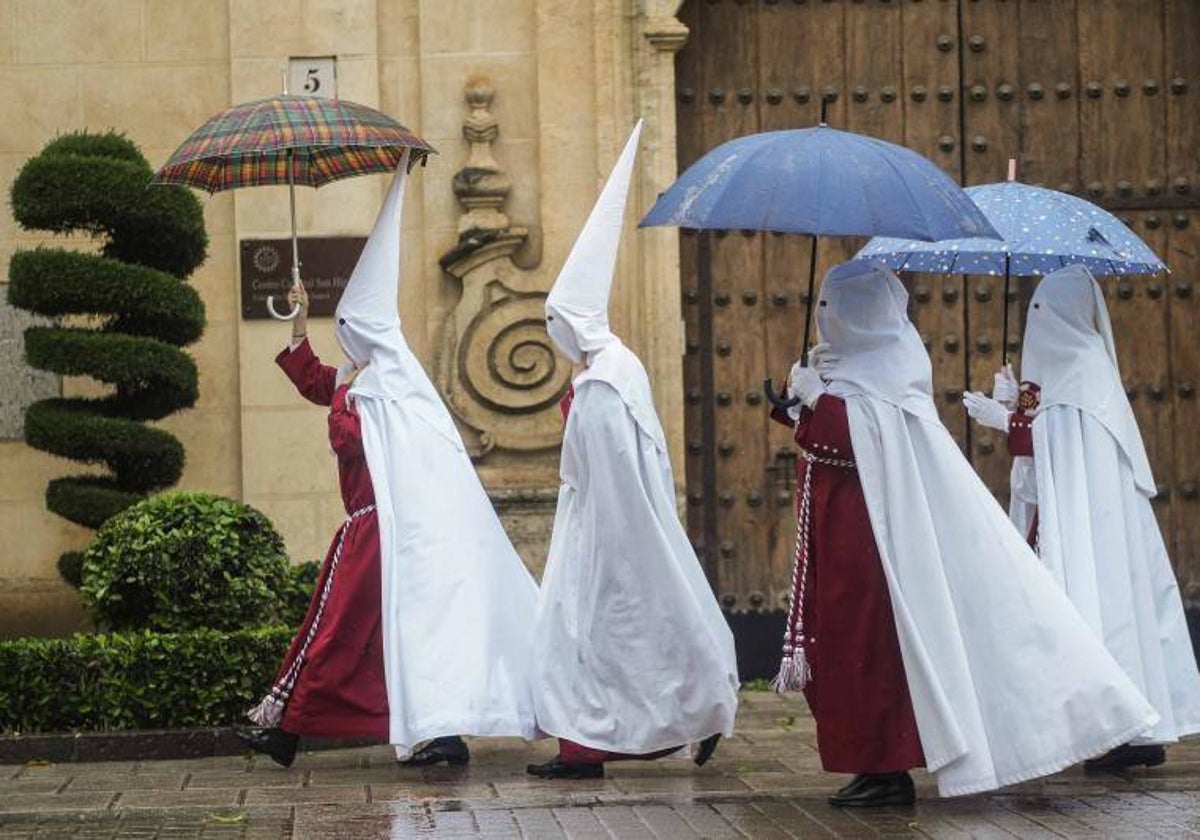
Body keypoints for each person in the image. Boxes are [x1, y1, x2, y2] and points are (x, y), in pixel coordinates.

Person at [770, 259, 1158, 806]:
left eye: (836, 307)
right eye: (823, 306)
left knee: (871, 646)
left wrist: (819, 400)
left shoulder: (888, 368)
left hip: (875, 545)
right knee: (836, 641)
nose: (824, 318)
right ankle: (867, 762)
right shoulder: (835, 367)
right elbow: (828, 436)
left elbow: (862, 442)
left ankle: (885, 767)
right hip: (835, 534)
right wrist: (797, 406)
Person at [236, 152, 541, 768]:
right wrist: (299, 319)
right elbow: (321, 383)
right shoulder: (369, 381)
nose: (342, 340)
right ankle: (384, 729)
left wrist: (345, 398)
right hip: (374, 526)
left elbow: (348, 433)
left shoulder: (384, 388)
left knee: (342, 627)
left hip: (384, 528)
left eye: (346, 328)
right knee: (365, 630)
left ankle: (290, 728)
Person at [527, 122, 739, 780]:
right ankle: (585, 744)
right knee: (607, 636)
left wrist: (604, 544)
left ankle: (681, 718)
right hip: (604, 526)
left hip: (608, 531)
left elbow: (606, 471)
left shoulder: (602, 381)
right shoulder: (609, 368)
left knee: (610, 634)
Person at [964, 263, 1200, 773]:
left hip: (1097, 534)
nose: (1036, 326)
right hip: (1075, 524)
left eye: (1043, 314)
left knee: (1107, 613)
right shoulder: (1066, 372)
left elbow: (1060, 443)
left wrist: (1008, 421)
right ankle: (1111, 729)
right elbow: (1045, 447)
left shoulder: (1084, 374)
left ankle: (1127, 729)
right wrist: (1016, 408)